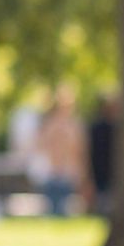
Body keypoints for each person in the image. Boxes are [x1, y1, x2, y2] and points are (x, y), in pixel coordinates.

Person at [36, 85, 88, 216]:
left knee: (65, 209)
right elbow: (41, 146)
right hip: (53, 172)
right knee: (53, 209)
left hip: (69, 173)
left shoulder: (74, 125)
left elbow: (79, 151)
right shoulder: (51, 124)